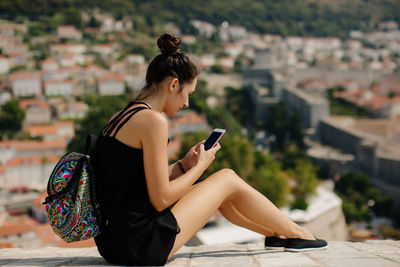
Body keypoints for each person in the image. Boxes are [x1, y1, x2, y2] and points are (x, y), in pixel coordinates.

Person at [92, 33, 328, 266]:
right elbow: (161, 198)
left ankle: (279, 234)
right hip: (141, 244)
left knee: (221, 194)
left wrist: (184, 166)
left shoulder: (120, 116)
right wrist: (202, 166)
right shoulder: (154, 121)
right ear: (174, 84)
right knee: (227, 178)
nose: (186, 103)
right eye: (188, 94)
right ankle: (297, 231)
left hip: (112, 242)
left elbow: (133, 182)